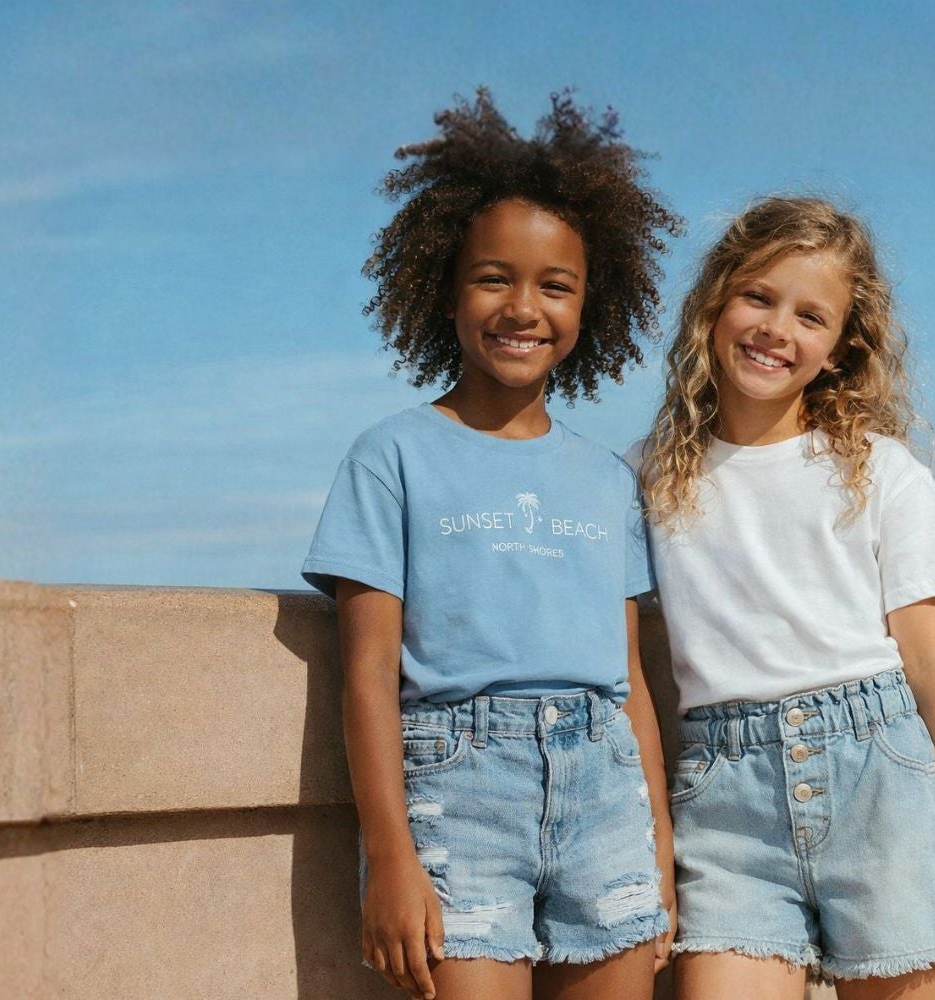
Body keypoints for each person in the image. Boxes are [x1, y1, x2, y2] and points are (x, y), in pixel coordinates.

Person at [302, 89, 683, 1000]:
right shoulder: (390, 455)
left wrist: (658, 853)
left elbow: (628, 681)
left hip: (606, 802)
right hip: (454, 800)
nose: (524, 308)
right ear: (444, 286)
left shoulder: (606, 479)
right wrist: (390, 859)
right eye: (492, 278)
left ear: (593, 303)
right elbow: (367, 675)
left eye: (556, 285)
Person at [635, 197, 935, 998]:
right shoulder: (650, 479)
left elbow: (930, 667)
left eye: (811, 315)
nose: (777, 328)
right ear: (714, 303)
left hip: (882, 785)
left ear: (841, 348)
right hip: (723, 801)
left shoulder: (879, 472)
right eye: (758, 297)